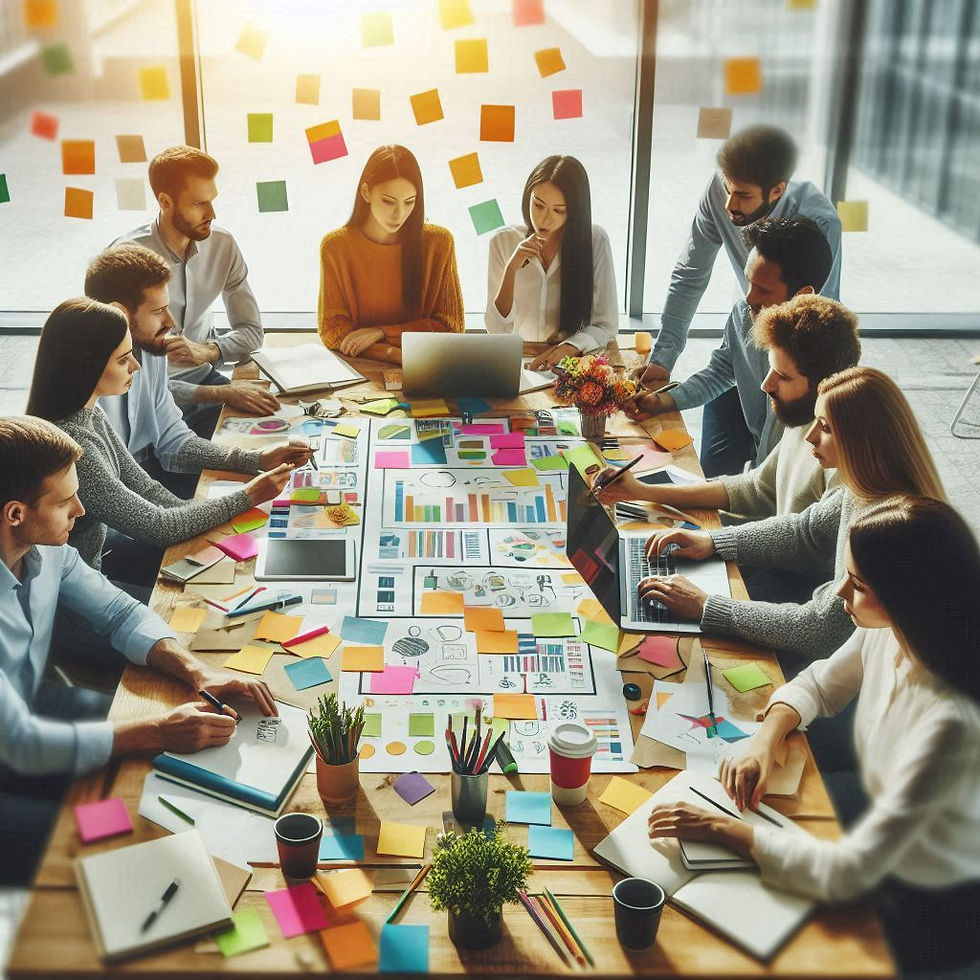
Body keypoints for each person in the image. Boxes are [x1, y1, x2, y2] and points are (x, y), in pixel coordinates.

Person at [647, 496, 980, 973]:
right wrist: (766, 738)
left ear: (909, 593)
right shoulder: (893, 626)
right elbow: (821, 682)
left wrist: (721, 830)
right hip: (883, 816)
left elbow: (847, 875)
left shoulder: (950, 725)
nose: (839, 590)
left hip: (922, 902)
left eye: (858, 584)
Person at [0, 414, 278, 884]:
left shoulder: (49, 553)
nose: (82, 511)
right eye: (66, 500)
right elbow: (23, 747)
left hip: (28, 706)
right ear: (15, 514)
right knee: (116, 844)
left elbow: (119, 614)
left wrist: (197, 672)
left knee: (166, 778)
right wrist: (154, 730)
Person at [637, 367, 945, 665]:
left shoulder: (886, 526)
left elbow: (821, 630)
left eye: (825, 427)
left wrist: (707, 606)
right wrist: (713, 541)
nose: (810, 436)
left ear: (861, 440)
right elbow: (805, 531)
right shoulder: (860, 488)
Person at [25, 299, 292, 586]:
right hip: (83, 594)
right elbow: (158, 527)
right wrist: (247, 496)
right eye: (123, 359)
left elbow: (148, 489)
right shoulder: (77, 447)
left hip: (97, 570)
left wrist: (199, 510)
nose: (136, 366)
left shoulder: (91, 415)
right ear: (86, 367)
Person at [642, 127, 842, 477]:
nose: (729, 204)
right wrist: (663, 365)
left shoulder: (820, 223)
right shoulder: (744, 312)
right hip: (751, 344)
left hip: (796, 364)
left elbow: (820, 315)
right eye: (726, 189)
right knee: (716, 472)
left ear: (777, 190)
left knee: (778, 468)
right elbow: (690, 274)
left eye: (743, 196)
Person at [597, 294, 861, 522]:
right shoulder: (803, 415)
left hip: (789, 579)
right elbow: (757, 490)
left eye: (784, 376)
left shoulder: (846, 452)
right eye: (771, 369)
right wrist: (641, 491)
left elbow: (805, 536)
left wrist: (715, 540)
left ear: (823, 383)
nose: (765, 385)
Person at [85, 243, 310, 499]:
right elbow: (134, 509)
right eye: (159, 311)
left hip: (145, 482)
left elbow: (174, 442)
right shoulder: (86, 390)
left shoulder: (152, 351)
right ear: (120, 314)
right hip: (113, 516)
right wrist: (244, 497)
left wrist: (257, 459)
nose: (171, 322)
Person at [636, 216, 834, 475]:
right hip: (761, 465)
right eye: (749, 282)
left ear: (802, 296)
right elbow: (720, 372)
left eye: (763, 291)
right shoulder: (744, 314)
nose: (749, 297)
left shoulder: (822, 363)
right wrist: (663, 401)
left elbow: (774, 483)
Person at [114, 146, 274, 437]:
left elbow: (252, 332)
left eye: (212, 200)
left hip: (206, 382)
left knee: (279, 431)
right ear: (165, 201)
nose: (211, 213)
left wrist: (210, 350)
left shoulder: (222, 246)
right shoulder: (128, 260)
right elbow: (127, 383)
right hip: (148, 406)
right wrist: (221, 394)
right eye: (199, 203)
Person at [317, 145, 464, 364]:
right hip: (362, 371)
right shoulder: (335, 246)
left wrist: (381, 332)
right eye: (388, 201)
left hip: (426, 367)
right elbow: (334, 331)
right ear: (366, 192)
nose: (399, 214)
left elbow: (452, 328)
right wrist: (391, 354)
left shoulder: (439, 243)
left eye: (409, 202)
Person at [485, 155, 618, 370]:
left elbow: (606, 325)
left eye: (558, 210)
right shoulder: (502, 242)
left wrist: (568, 347)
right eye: (538, 205)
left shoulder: (594, 242)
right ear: (528, 197)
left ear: (574, 211)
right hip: (516, 365)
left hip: (571, 364)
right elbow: (496, 330)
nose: (545, 219)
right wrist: (511, 269)